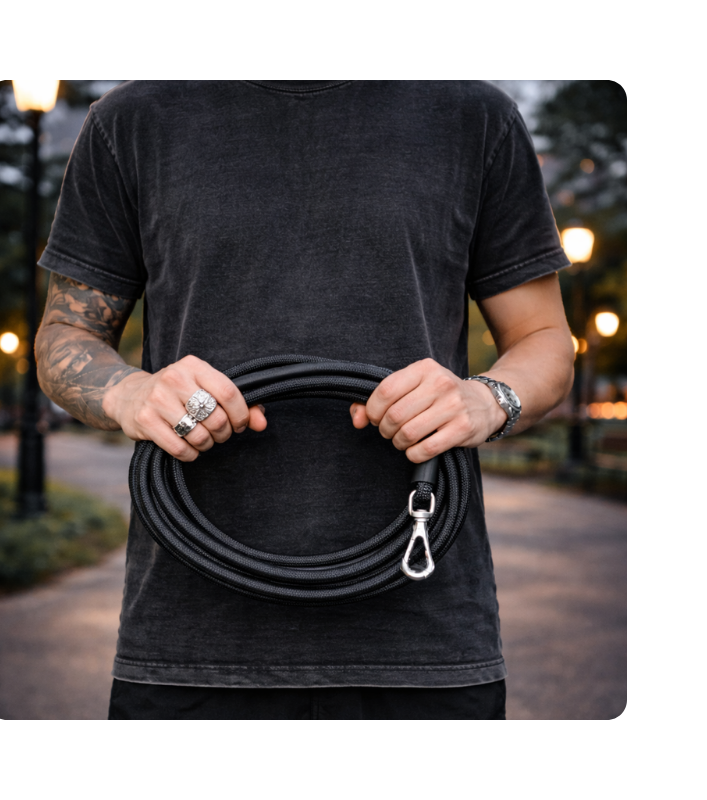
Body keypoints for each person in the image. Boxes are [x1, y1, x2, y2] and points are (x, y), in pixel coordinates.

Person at [35, 80, 574, 720]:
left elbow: (544, 339)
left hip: (424, 630)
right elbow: (65, 334)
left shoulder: (474, 117)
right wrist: (131, 392)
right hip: (190, 637)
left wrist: (486, 399)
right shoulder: (132, 120)